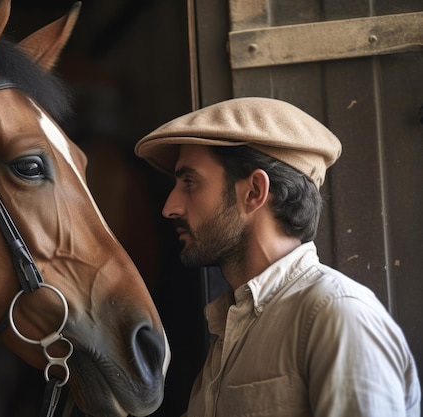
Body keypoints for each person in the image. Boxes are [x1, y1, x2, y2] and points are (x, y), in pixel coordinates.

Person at [134, 97, 421, 416]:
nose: (169, 207)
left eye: (189, 182)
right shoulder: (228, 332)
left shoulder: (338, 316)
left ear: (254, 191)